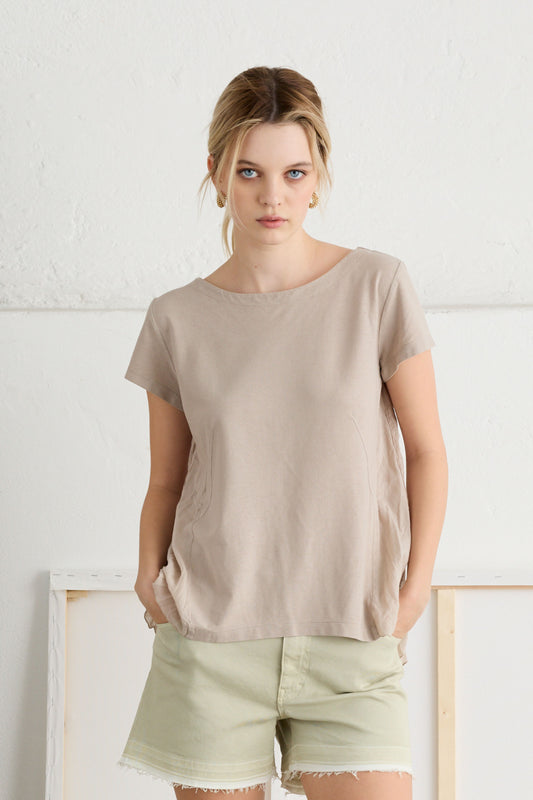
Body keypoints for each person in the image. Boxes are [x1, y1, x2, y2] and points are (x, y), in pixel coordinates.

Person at [117, 66, 448, 800]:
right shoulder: (177, 318)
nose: (273, 196)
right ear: (216, 174)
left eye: (294, 172)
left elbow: (426, 452)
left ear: (317, 175)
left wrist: (415, 588)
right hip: (212, 640)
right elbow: (167, 479)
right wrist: (149, 579)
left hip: (351, 638)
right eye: (250, 172)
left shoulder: (377, 287)